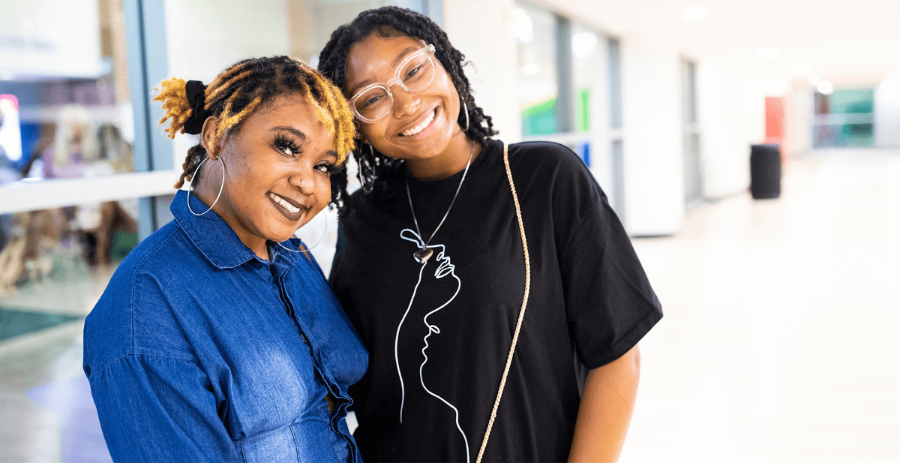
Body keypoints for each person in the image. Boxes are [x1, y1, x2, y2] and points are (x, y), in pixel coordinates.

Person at [319, 7, 664, 463]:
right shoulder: (362, 217)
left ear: (443, 60)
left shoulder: (544, 179)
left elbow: (618, 356)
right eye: (371, 99)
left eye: (414, 69)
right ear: (354, 124)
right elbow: (357, 371)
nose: (404, 103)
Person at [82, 56, 367, 462]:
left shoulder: (289, 253)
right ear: (215, 136)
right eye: (286, 147)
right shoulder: (142, 311)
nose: (308, 182)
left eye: (323, 166)